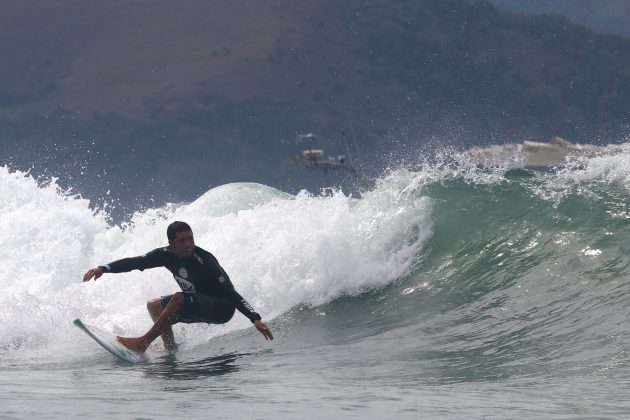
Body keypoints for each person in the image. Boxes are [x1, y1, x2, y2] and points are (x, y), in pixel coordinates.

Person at [82, 221, 273, 353]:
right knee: (154, 305)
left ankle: (142, 343)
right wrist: (104, 268)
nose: (189, 244)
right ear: (171, 243)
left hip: (221, 308)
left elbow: (231, 293)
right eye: (183, 240)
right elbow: (136, 262)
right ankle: (170, 349)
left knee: (178, 297)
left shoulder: (205, 261)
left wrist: (254, 318)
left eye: (191, 238)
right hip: (196, 303)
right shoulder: (165, 255)